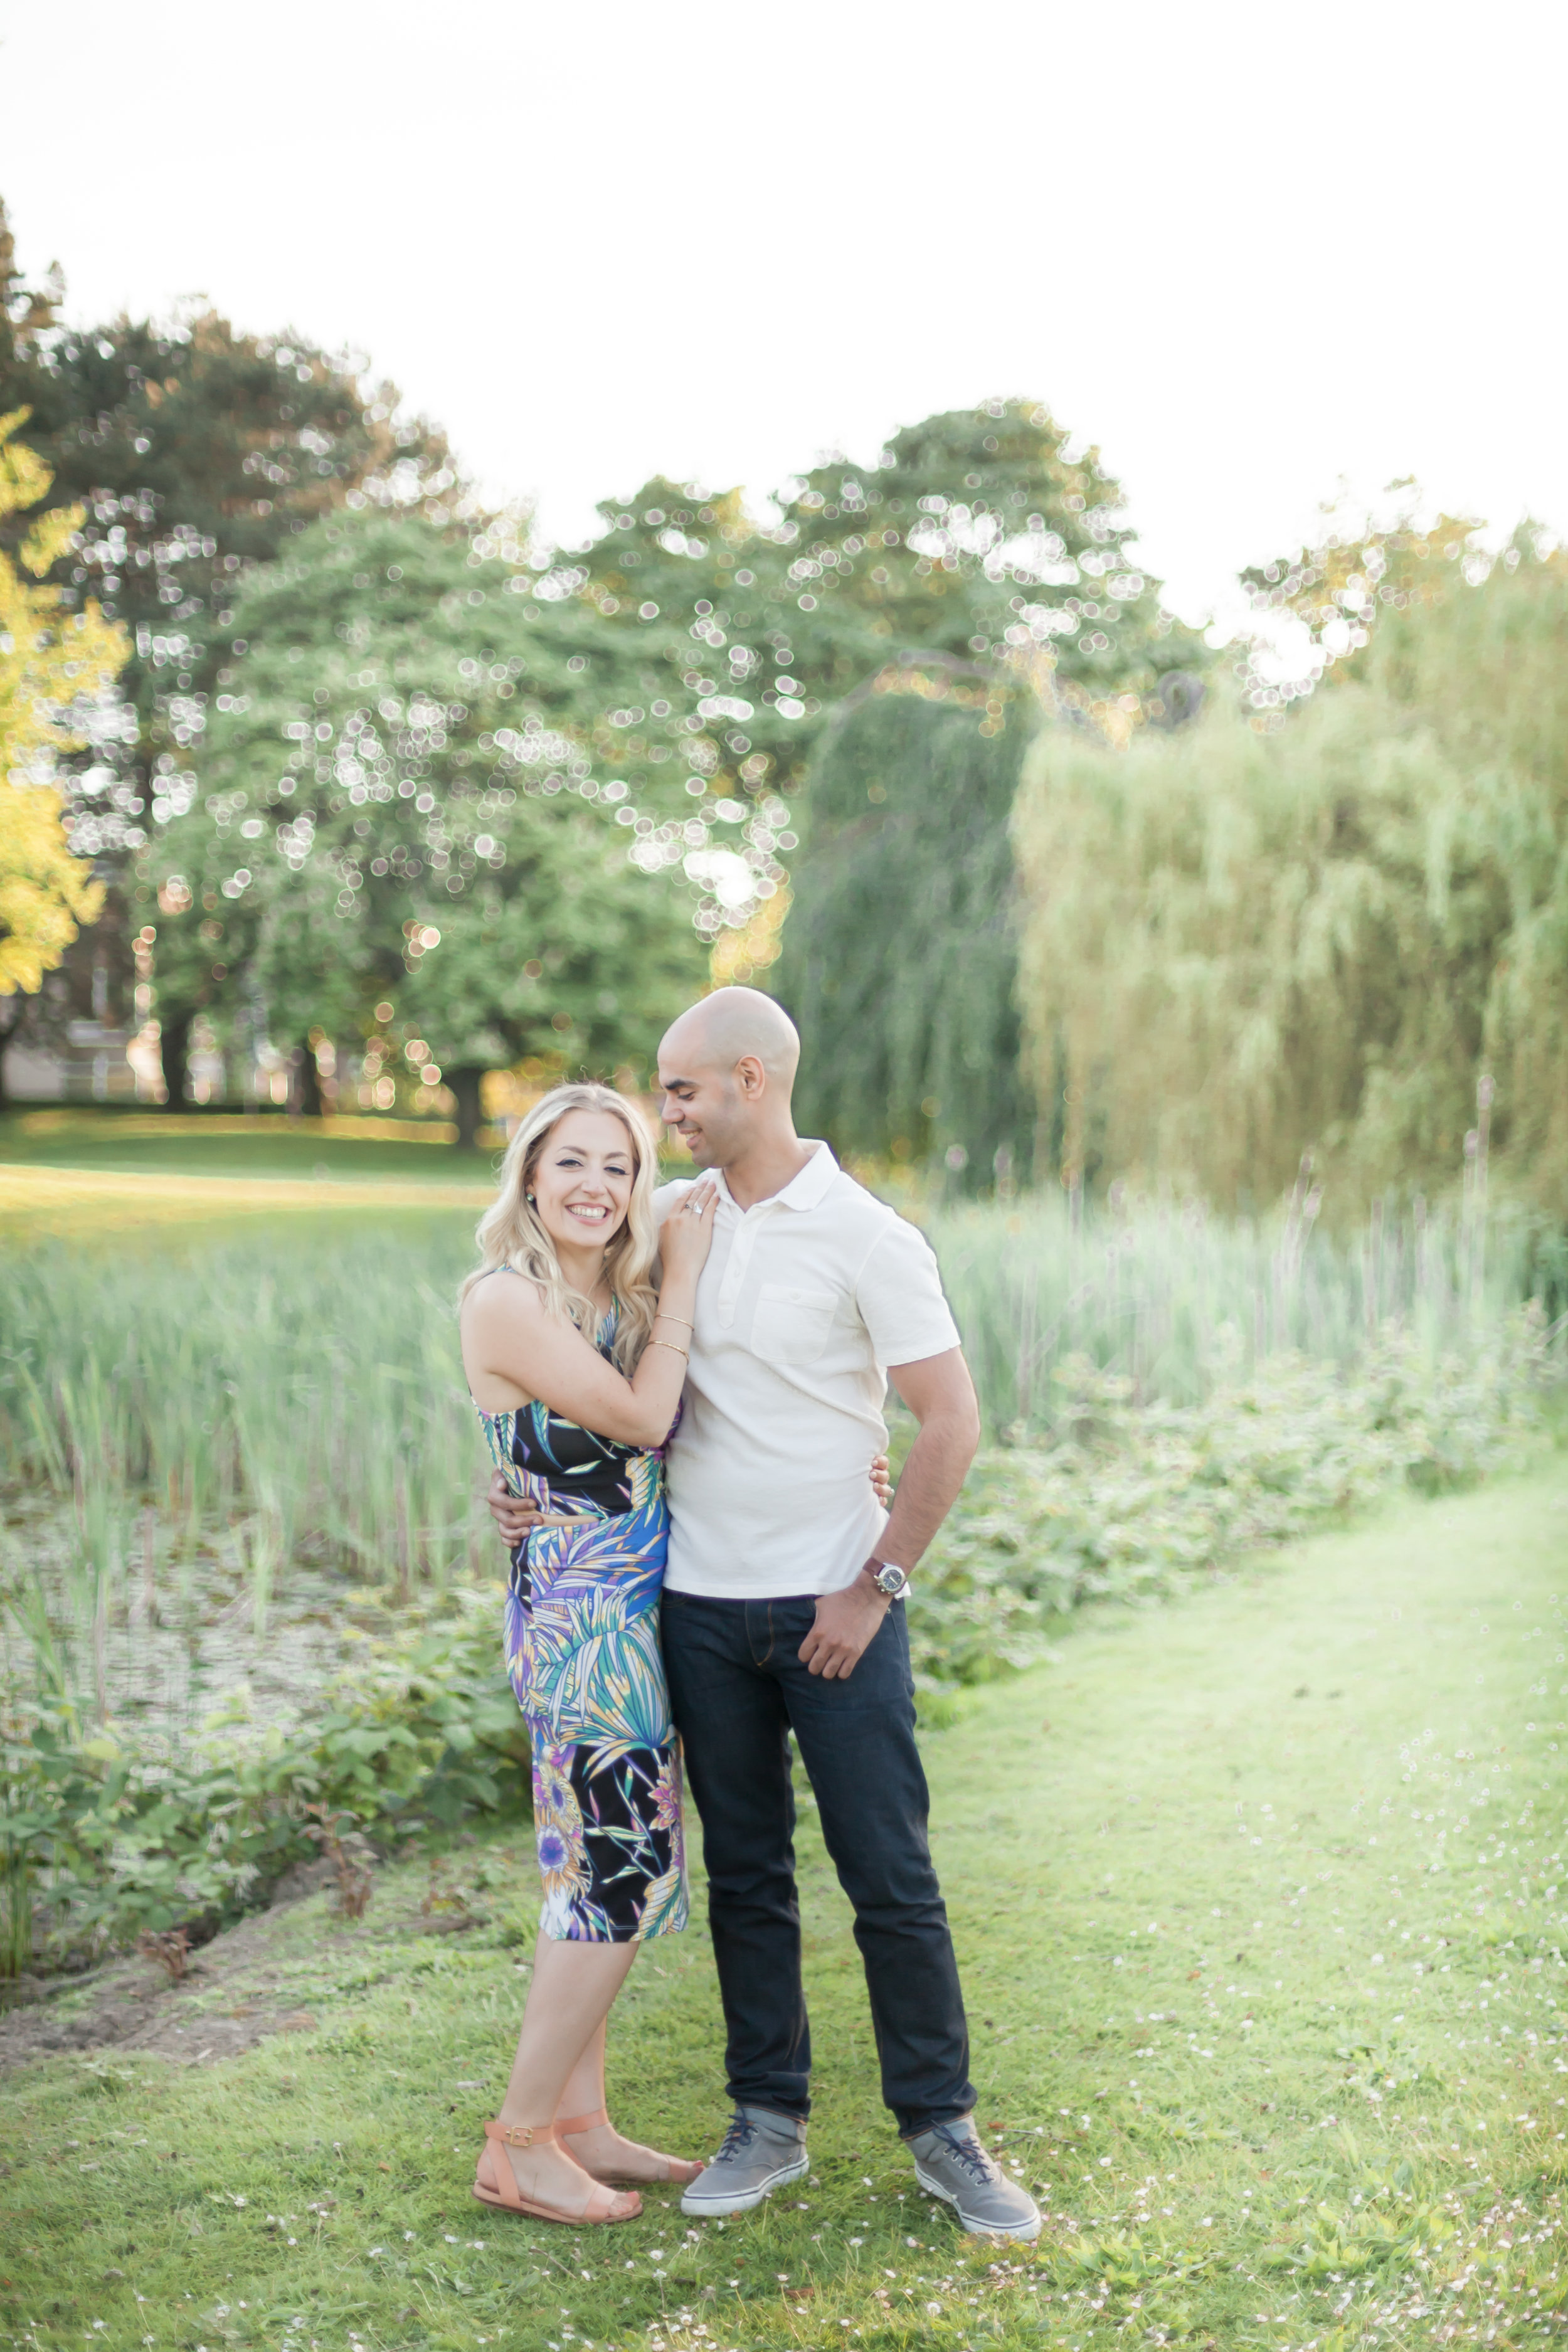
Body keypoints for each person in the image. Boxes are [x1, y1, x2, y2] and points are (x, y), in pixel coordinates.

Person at [491, 994, 1041, 2241]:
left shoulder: (867, 1236)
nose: (664, 1114)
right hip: (693, 1607)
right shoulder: (664, 1229)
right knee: (745, 1878)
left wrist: (870, 1587)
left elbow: (947, 1422)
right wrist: (519, 1487)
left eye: (681, 1092)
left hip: (832, 1608)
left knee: (888, 1876)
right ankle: (766, 2118)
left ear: (750, 1078)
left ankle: (942, 2130)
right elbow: (586, 1381)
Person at [458, 1081, 718, 2227]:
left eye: (619, 1167)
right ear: (529, 1174)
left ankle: (582, 2123)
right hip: (582, 1629)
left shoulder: (606, 1302)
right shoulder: (507, 1298)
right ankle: (517, 2143)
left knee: (591, 1867)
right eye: (572, 1162)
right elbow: (643, 1421)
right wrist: (688, 1285)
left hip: (623, 1612)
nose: (597, 1186)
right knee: (618, 1869)